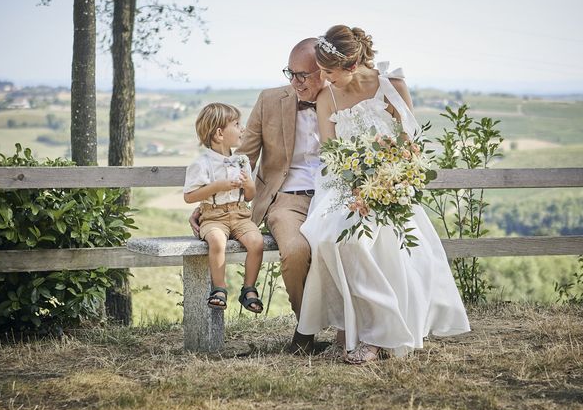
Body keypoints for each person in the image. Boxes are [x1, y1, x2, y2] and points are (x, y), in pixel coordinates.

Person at [297, 25, 471, 364]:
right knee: (331, 236)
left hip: (391, 182)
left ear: (350, 65)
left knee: (370, 240)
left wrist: (390, 180)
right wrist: (357, 181)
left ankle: (377, 336)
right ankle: (352, 323)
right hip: (341, 184)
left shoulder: (392, 86)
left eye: (329, 72)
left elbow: (411, 145)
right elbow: (332, 153)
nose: (325, 79)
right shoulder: (327, 97)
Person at [190, 39, 327, 353]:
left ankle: (354, 329)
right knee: (294, 250)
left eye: (302, 75)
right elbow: (243, 159)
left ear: (324, 72)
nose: (294, 82)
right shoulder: (269, 100)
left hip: (335, 197)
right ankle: (305, 332)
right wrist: (209, 203)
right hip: (287, 199)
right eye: (289, 73)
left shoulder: (341, 98)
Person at [184, 103, 265, 313]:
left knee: (256, 242)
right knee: (218, 241)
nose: (243, 129)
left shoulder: (242, 161)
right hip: (213, 217)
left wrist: (248, 185)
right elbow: (189, 196)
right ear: (219, 133)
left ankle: (249, 289)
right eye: (237, 124)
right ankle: (219, 289)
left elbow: (250, 195)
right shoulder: (202, 164)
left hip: (240, 214)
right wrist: (216, 186)